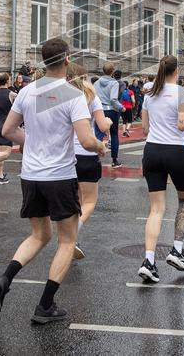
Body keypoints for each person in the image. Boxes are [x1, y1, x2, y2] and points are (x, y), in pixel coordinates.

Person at [0, 38, 105, 324]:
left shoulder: (27, 91)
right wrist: (99, 147)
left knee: (39, 235)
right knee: (66, 240)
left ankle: (4, 279)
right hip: (59, 176)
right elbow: (86, 141)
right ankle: (45, 305)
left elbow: (8, 129)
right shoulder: (72, 95)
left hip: (30, 175)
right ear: (66, 60)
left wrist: (33, 141)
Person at [137, 55, 184, 283]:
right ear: (178, 70)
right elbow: (183, 125)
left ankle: (149, 261)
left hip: (152, 150)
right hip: (175, 150)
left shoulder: (150, 93)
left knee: (155, 209)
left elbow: (144, 128)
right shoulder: (183, 93)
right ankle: (177, 250)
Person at [65, 63, 110, 259]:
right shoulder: (92, 98)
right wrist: (107, 122)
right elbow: (102, 124)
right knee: (89, 201)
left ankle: (70, 238)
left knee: (75, 200)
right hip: (87, 152)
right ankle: (71, 237)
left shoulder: (62, 97)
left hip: (66, 154)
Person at [94, 63, 123, 167]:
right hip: (111, 110)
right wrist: (121, 107)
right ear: (112, 71)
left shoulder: (96, 83)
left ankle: (95, 157)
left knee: (98, 134)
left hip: (99, 109)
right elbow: (113, 99)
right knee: (114, 134)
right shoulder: (114, 83)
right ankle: (114, 160)